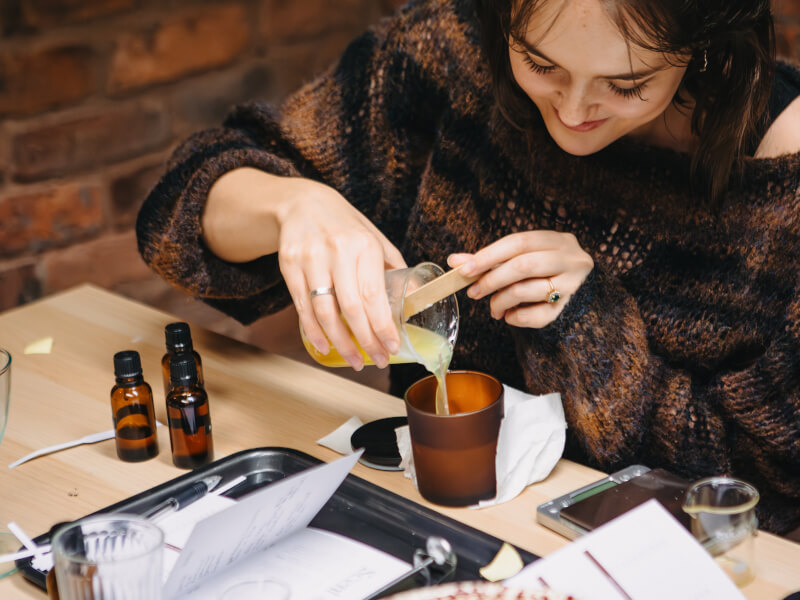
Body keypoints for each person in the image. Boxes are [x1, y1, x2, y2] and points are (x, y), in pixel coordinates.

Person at [136, 0, 800, 534]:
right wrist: (291, 205)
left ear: (707, 42)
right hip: (430, 533)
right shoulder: (448, 57)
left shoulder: (781, 169)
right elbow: (176, 211)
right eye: (539, 64)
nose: (571, 114)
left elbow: (769, 493)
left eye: (627, 84)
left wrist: (590, 329)